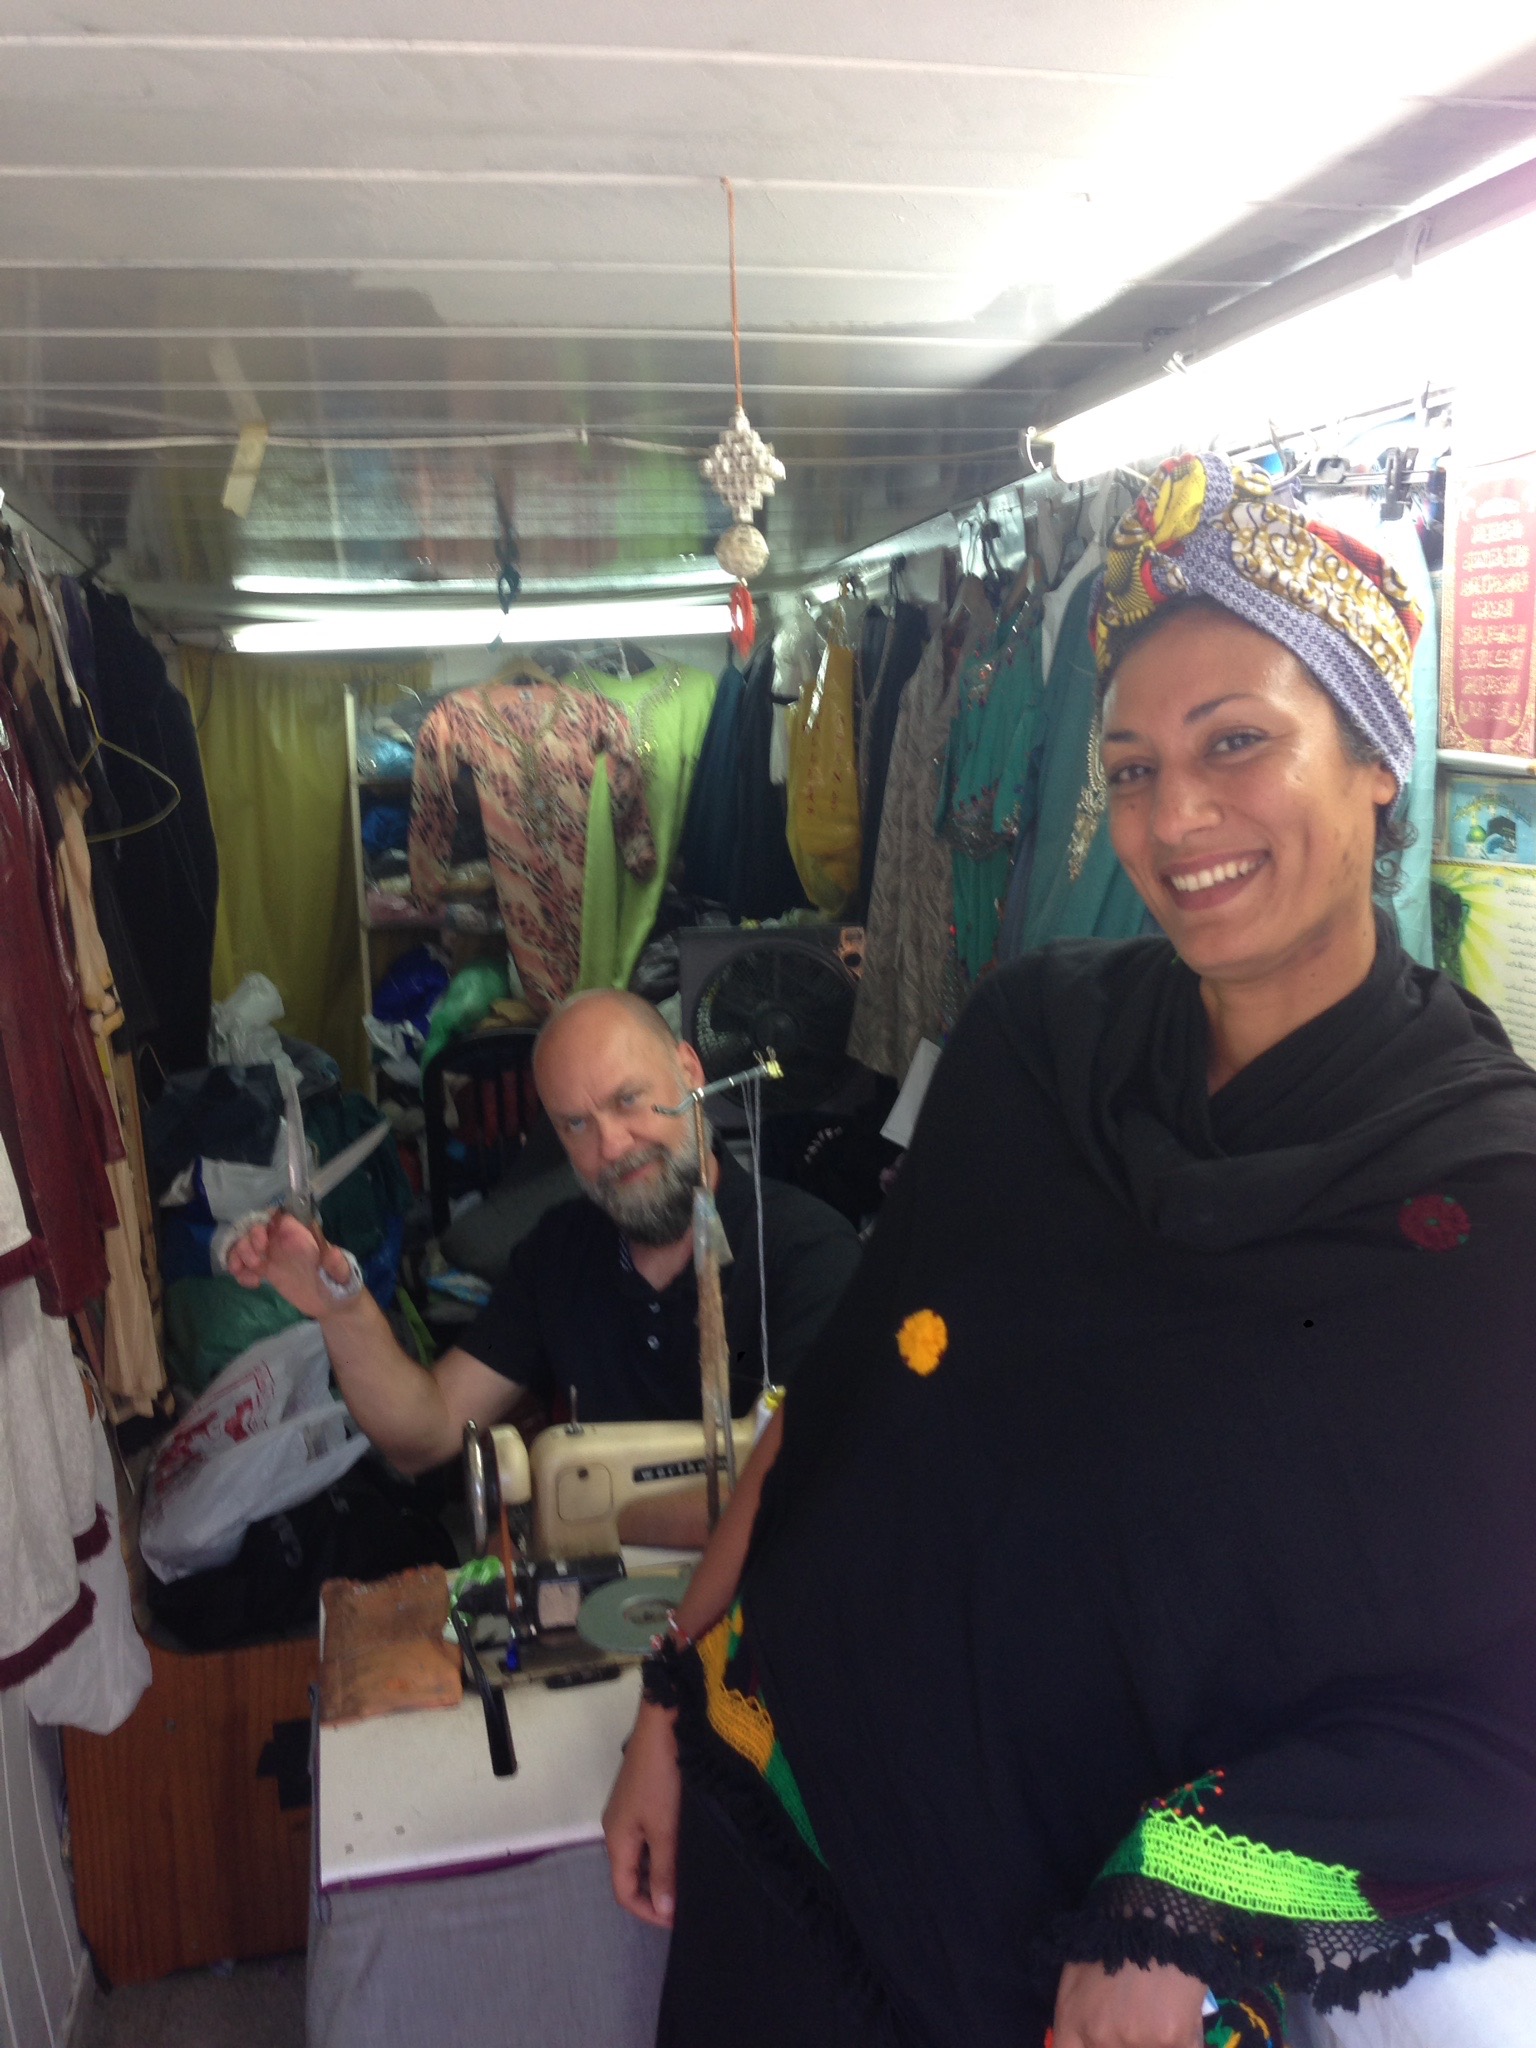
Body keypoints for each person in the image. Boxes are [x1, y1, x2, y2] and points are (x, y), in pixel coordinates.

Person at [603, 455, 1536, 2048]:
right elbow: (844, 1407)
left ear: (1379, 760)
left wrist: (1191, 1889)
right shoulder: (1038, 1039)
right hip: (795, 1814)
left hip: (1082, 1977)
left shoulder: (1483, 1207)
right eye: (1128, 768)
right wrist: (673, 1691)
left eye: (1235, 743)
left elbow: (1495, 1712)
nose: (1173, 819)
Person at [226, 988, 861, 1545]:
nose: (611, 1145)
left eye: (629, 1100)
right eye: (576, 1124)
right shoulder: (561, 1252)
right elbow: (426, 1434)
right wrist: (339, 1307)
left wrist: (588, 1519)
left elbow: (807, 1491)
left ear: (689, 1071)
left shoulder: (808, 1252)